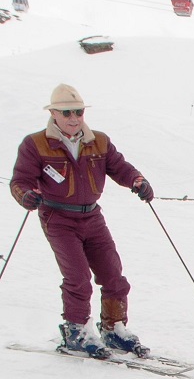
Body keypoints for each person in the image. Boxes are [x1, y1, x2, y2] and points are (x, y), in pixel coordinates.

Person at [9, 83, 155, 360]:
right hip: (58, 217)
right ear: (53, 113)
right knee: (78, 278)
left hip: (92, 215)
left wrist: (137, 180)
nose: (73, 118)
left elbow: (119, 167)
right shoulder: (36, 144)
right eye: (66, 112)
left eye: (78, 112)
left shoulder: (98, 141)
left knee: (113, 274)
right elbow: (21, 181)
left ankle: (113, 329)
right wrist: (25, 195)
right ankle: (76, 331)